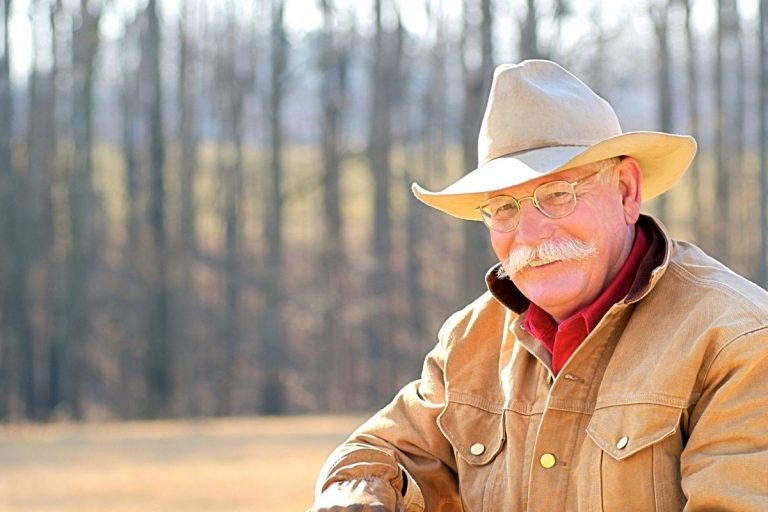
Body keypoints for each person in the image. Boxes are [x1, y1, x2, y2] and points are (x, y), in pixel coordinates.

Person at [308, 60, 768, 511]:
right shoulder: (471, 339)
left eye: (556, 195)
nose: (529, 234)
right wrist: (355, 498)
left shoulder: (738, 339)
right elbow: (387, 454)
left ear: (626, 190)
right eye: (504, 208)